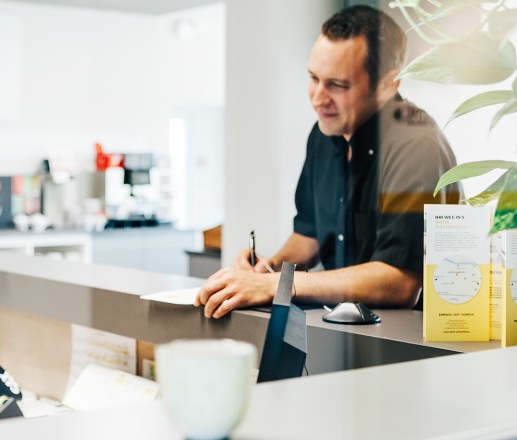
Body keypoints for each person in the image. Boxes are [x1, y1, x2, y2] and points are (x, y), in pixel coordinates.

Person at [195, 5, 460, 319]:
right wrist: (267, 270)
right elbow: (309, 236)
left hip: (408, 341)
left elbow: (400, 283)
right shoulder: (323, 134)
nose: (318, 98)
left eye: (338, 85)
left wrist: (281, 284)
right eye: (313, 78)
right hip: (341, 328)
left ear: (389, 84)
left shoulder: (416, 144)